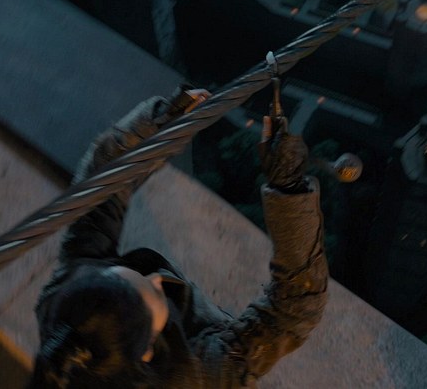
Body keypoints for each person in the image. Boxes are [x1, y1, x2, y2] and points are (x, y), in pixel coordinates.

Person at [30, 87, 329, 388]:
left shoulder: (68, 315)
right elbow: (295, 309)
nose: (156, 279)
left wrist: (161, 125)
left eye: (125, 275)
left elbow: (102, 186)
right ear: (147, 351)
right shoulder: (201, 375)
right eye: (154, 293)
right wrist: (289, 189)